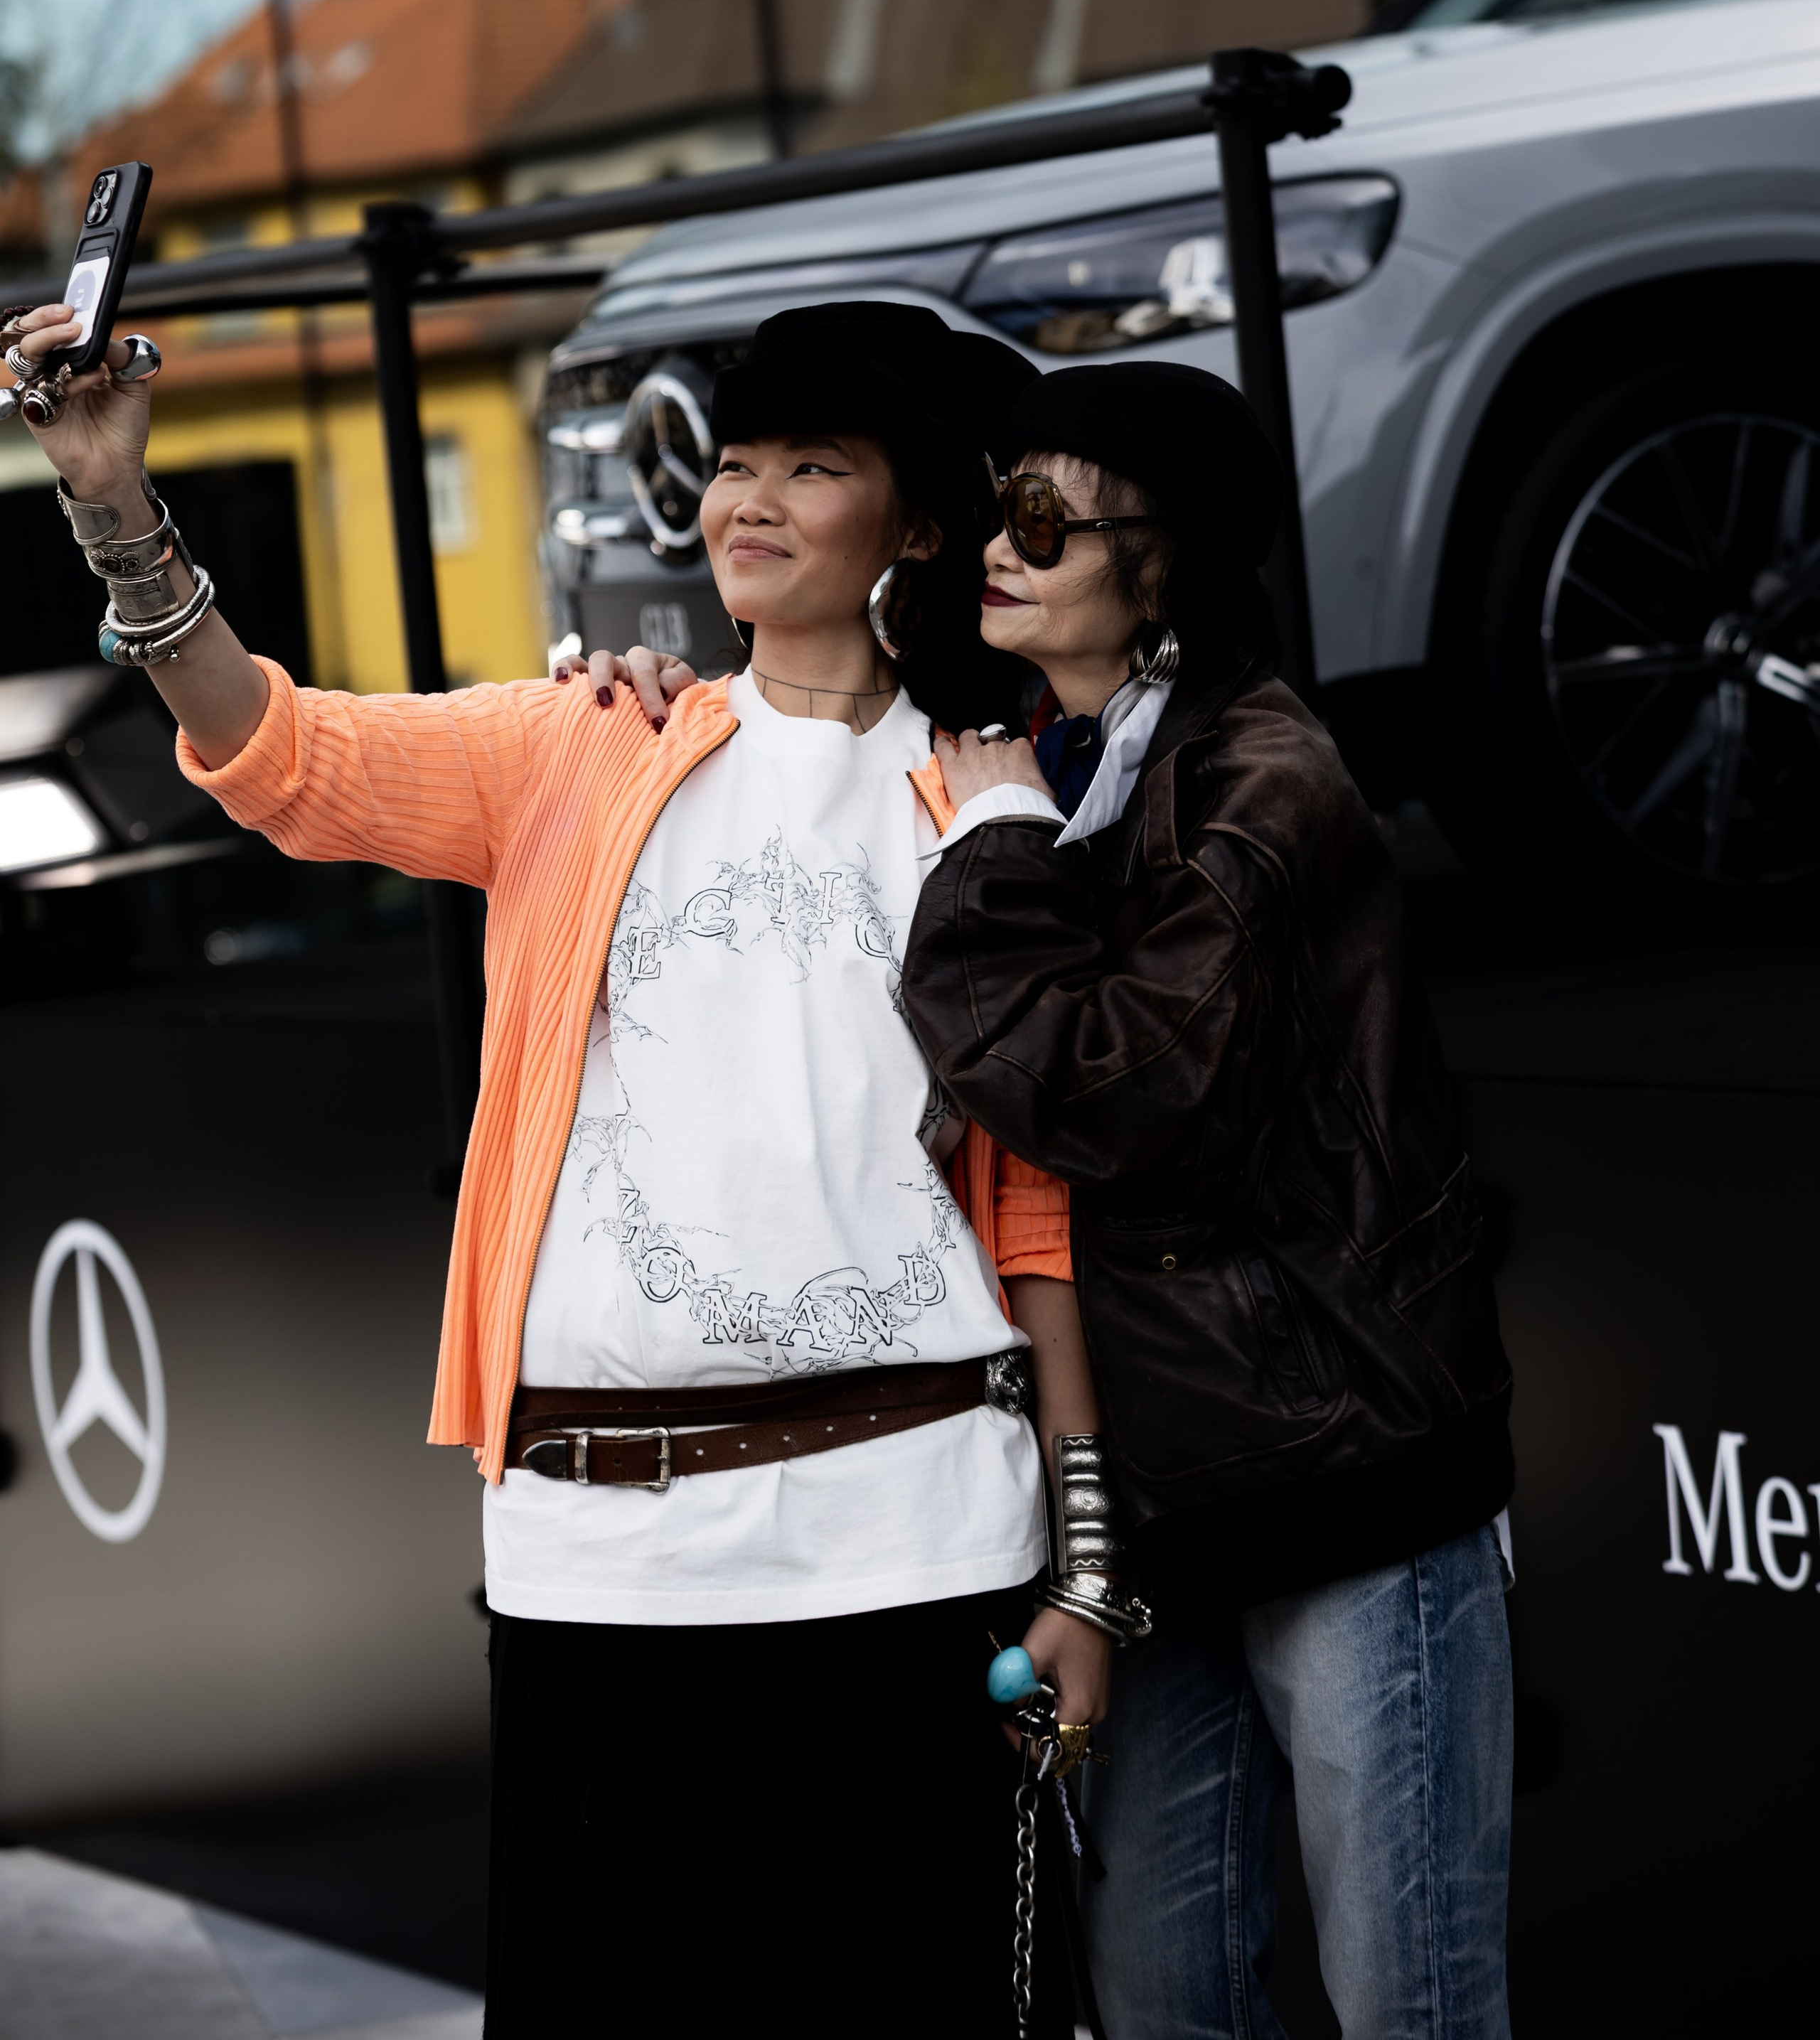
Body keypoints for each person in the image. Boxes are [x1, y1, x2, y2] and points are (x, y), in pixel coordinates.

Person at [2, 294, 1146, 2038]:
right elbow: (277, 754)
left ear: (915, 524)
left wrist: (1078, 1565)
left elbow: (1038, 1215)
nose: (743, 501)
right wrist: (107, 500)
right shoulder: (581, 744)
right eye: (733, 463)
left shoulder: (983, 797)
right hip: (603, 1563)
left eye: (809, 466)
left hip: (916, 1545)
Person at [899, 360, 1516, 2040]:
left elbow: (1115, 1086)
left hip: (1340, 1471)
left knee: (1415, 2002)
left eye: (1045, 518)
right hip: (1147, 1514)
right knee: (1167, 2008)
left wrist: (985, 850)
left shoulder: (1263, 778)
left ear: (1158, 562)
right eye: (995, 510)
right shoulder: (1028, 750)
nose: (998, 549)